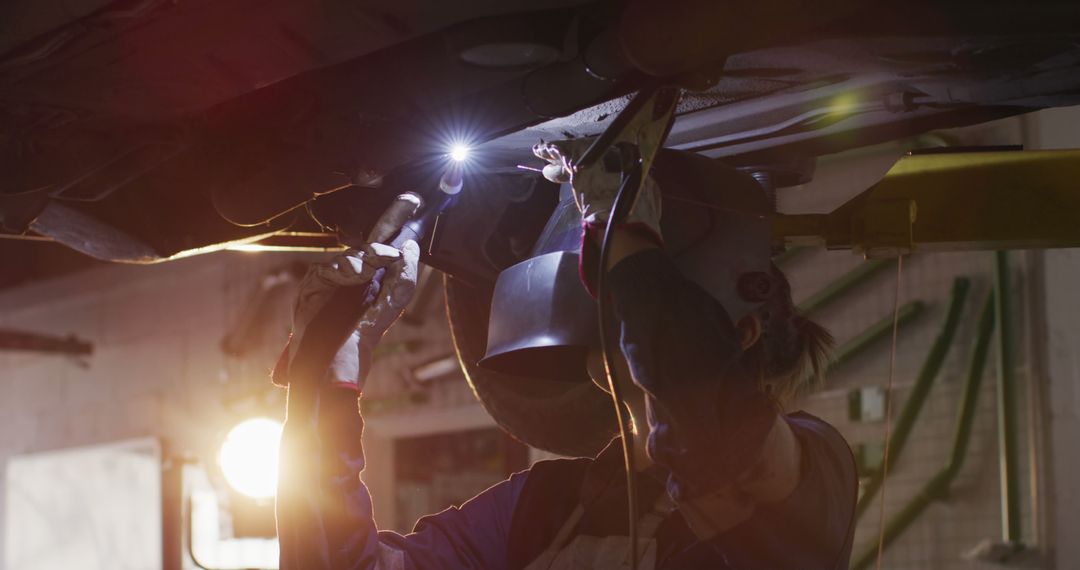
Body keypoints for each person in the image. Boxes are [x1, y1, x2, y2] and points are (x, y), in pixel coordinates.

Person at [273, 144, 858, 569]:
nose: (600, 301)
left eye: (613, 281)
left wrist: (625, 234)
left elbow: (710, 431)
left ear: (743, 331)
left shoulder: (812, 476)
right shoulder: (540, 507)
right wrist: (326, 378)